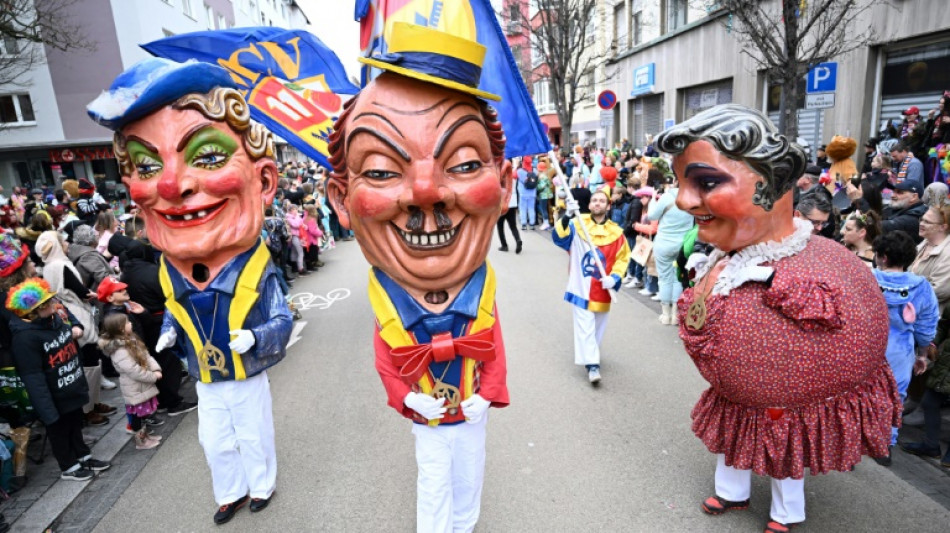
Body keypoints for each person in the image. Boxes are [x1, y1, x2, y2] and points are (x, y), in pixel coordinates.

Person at [656, 104, 900, 533]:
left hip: (786, 405)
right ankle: (732, 490)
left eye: (707, 182)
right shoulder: (725, 255)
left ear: (773, 186)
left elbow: (832, 313)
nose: (683, 199)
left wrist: (773, 282)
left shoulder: (821, 265)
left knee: (787, 448)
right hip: (735, 393)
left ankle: (787, 511)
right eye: (681, 182)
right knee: (732, 436)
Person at [88, 57, 292, 524]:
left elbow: (282, 318)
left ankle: (262, 484)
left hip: (243, 371)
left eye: (208, 156)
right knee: (214, 438)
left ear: (263, 179)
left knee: (253, 432)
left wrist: (257, 339)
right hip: (205, 373)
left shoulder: (256, 271)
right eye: (145, 163)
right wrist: (171, 332)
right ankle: (230, 491)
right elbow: (181, 310)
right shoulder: (169, 273)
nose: (171, 184)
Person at [326, 23, 510, 532]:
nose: (425, 191)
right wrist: (408, 397)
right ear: (340, 199)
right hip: (428, 418)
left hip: (470, 414)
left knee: (469, 475)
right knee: (432, 480)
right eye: (382, 170)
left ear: (505, 186)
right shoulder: (388, 313)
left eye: (466, 163)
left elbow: (494, 349)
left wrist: (485, 394)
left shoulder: (484, 301)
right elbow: (388, 363)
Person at [6, 278, 111, 480]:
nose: (55, 304)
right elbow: (33, 376)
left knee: (74, 424)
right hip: (54, 395)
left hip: (70, 387)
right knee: (59, 430)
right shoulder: (25, 339)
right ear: (35, 311)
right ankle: (69, 466)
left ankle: (83, 456)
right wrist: (46, 409)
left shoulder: (55, 320)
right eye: (48, 303)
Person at [872, 230, 939, 465]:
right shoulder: (921, 287)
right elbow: (926, 327)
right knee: (894, 398)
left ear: (884, 257)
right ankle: (885, 446)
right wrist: (922, 355)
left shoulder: (865, 277)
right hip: (899, 352)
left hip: (864, 347)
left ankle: (852, 440)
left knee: (857, 394)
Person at [35, 230, 114, 426]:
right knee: (90, 362)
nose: (67, 245)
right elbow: (82, 292)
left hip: (66, 312)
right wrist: (94, 294)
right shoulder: (62, 265)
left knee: (85, 361)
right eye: (63, 242)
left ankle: (92, 404)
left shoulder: (47, 267)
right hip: (78, 313)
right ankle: (89, 408)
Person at [553, 189, 631, 383]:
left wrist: (615, 278)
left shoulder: (617, 233)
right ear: (589, 205)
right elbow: (559, 238)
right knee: (585, 327)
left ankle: (591, 355)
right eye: (594, 200)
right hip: (581, 287)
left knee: (597, 328)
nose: (597, 203)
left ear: (608, 205)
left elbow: (623, 259)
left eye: (601, 200)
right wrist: (567, 216)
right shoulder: (577, 225)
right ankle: (593, 366)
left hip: (603, 289)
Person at [98, 313, 163, 450]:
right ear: (121, 328)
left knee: (143, 414)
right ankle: (141, 442)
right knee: (137, 417)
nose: (131, 324)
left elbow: (146, 355)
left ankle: (145, 436)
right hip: (134, 387)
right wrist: (152, 376)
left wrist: (156, 369)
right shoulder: (119, 350)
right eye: (128, 322)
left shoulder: (131, 340)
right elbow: (133, 370)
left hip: (141, 385)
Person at [645, 178, 695, 325]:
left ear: (674, 181)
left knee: (664, 278)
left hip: (664, 242)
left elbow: (651, 216)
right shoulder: (692, 197)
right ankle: (675, 315)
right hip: (683, 244)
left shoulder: (666, 197)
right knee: (677, 278)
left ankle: (665, 314)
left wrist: (653, 200)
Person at [910, 205, 950, 311]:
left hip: (928, 316)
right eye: (922, 220)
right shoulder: (926, 242)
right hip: (909, 307)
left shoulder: (948, 254)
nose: (921, 224)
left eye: (927, 222)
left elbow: (938, 291)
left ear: (943, 227)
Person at [496, 165, 522, 254]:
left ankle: (504, 245)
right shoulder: (513, 178)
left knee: (500, 226)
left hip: (501, 205)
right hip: (512, 203)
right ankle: (518, 239)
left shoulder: (499, 179)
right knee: (513, 226)